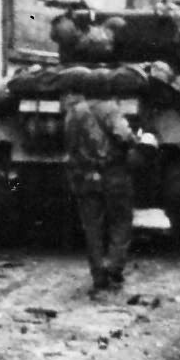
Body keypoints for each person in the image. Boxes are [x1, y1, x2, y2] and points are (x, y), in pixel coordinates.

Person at [62, 90, 138, 292]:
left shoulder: (73, 112)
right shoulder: (110, 109)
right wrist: (135, 141)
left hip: (85, 175)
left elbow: (69, 143)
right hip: (113, 173)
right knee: (120, 220)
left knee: (92, 227)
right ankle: (114, 267)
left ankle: (97, 274)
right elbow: (123, 135)